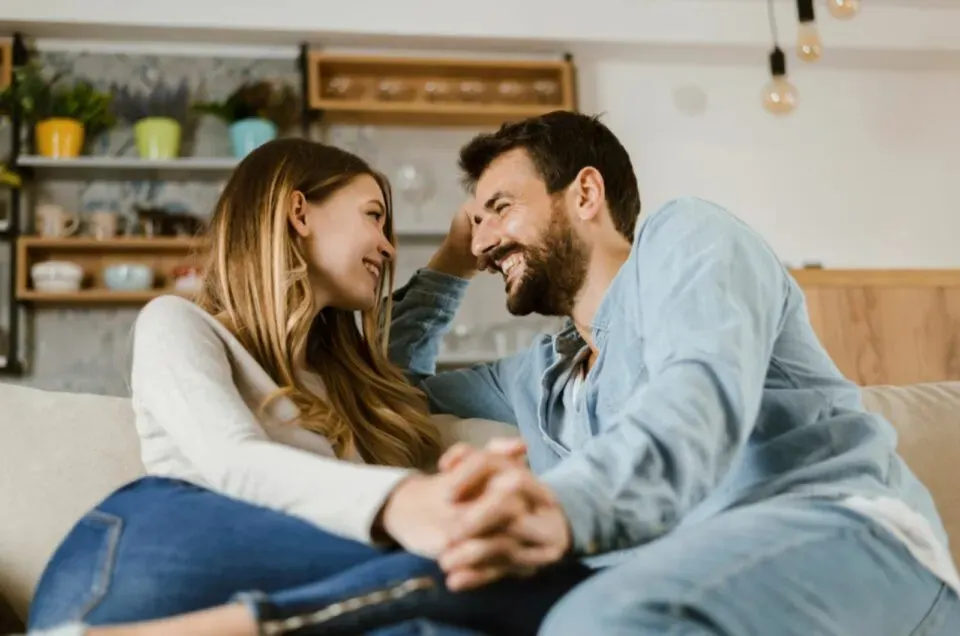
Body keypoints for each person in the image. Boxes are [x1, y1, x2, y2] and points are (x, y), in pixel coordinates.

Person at [384, 110, 960, 634]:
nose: (484, 242)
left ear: (585, 193)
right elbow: (389, 388)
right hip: (687, 583)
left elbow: (696, 395)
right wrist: (450, 263)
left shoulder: (686, 239)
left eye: (501, 208)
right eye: (475, 224)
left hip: (850, 544)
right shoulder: (533, 377)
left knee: (598, 623)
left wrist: (564, 505)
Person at [25, 138, 592, 636]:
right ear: (299, 211)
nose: (389, 246)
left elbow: (398, 365)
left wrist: (456, 260)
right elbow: (232, 461)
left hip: (293, 598)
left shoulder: (345, 387)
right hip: (144, 554)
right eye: (373, 215)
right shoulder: (179, 322)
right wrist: (402, 503)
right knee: (521, 571)